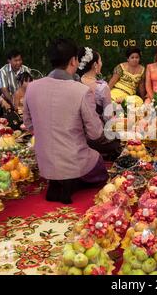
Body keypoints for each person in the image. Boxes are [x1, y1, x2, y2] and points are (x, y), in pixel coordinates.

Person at [23, 38, 108, 204]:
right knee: (98, 162)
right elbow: (95, 133)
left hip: (45, 162)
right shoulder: (81, 91)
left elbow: (28, 124)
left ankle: (58, 182)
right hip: (73, 161)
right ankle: (71, 183)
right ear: (73, 61)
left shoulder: (32, 87)